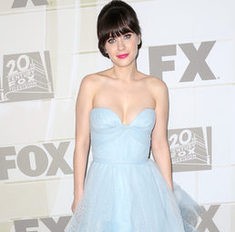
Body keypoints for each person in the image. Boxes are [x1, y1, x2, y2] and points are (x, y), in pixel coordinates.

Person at [67, 1, 197, 231]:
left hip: (144, 187)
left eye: (126, 35)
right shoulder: (91, 84)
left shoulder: (156, 87)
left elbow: (160, 146)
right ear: (104, 47)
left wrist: (168, 198)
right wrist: (79, 194)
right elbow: (81, 143)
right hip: (102, 188)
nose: (120, 46)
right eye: (111, 39)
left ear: (138, 36)